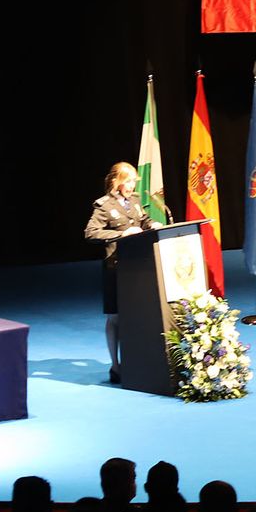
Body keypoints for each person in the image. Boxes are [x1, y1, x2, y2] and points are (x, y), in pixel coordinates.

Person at [85, 162, 154, 383]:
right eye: (128, 181)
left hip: (137, 267)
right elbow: (91, 232)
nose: (132, 186)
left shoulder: (134, 202)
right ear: (117, 181)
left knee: (136, 315)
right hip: (115, 267)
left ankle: (136, 360)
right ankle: (116, 366)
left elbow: (143, 220)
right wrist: (122, 234)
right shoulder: (104, 206)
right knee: (115, 318)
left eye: (134, 181)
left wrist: (153, 224)